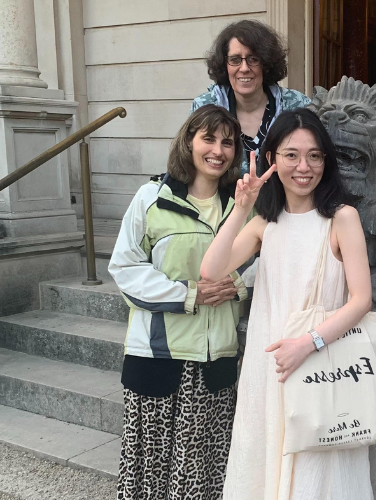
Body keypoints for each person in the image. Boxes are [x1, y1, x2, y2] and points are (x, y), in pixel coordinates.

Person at [200, 108, 374, 500]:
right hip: (270, 370)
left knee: (317, 475)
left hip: (319, 363)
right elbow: (211, 271)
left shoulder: (342, 218)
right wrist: (242, 206)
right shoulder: (266, 221)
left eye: (314, 155)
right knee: (263, 466)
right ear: (272, 160)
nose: (303, 166)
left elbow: (362, 299)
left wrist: (307, 342)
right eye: (291, 154)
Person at [109, 105, 250, 500]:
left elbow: (265, 261)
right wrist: (188, 294)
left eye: (227, 142)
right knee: (150, 472)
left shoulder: (242, 205)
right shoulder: (151, 198)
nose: (218, 150)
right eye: (209, 138)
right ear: (189, 141)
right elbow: (124, 268)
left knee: (204, 470)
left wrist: (236, 284)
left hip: (216, 357)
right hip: (158, 356)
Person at [191, 19, 311, 175]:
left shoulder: (297, 105)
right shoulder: (205, 106)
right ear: (224, 64)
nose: (244, 68)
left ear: (266, 64)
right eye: (235, 60)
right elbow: (189, 163)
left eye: (253, 59)